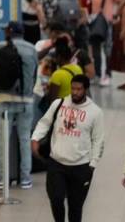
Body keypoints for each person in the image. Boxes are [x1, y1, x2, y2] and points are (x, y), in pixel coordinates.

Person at [31, 75, 104, 222]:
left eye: (79, 89)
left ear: (85, 89)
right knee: (56, 199)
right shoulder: (59, 104)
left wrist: (93, 164)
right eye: (73, 88)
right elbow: (44, 123)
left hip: (81, 166)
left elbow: (98, 140)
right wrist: (35, 138)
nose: (75, 92)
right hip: (56, 163)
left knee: (75, 208)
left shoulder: (95, 112)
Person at [0, 21, 38, 190]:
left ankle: (1, 178)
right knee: (24, 139)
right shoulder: (32, 49)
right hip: (26, 100)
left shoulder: (1, 46)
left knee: (3, 140)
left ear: (9, 32)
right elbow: (34, 72)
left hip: (5, 99)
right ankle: (26, 179)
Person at [86, 0, 123, 86]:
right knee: (95, 49)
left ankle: (107, 73)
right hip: (92, 21)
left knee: (108, 49)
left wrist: (116, 16)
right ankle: (97, 73)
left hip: (108, 22)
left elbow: (120, 2)